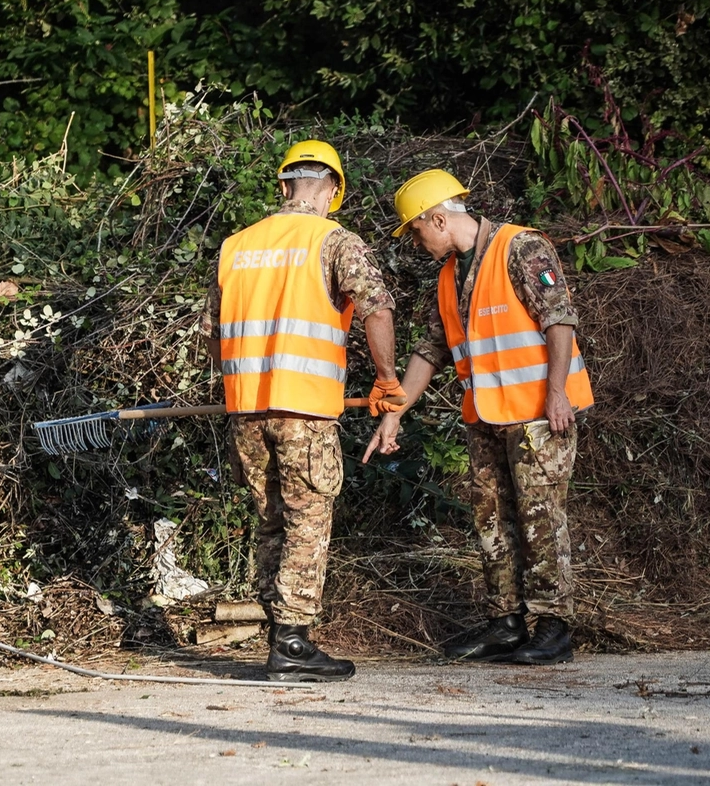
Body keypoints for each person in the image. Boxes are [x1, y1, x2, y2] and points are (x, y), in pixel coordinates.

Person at [363, 169, 593, 665]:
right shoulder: (449, 275)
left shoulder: (522, 248)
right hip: (485, 417)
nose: (417, 242)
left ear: (439, 218)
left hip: (537, 412)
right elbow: (431, 349)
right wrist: (395, 413)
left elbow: (559, 318)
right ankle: (506, 622)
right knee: (491, 517)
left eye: (417, 231)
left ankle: (553, 626)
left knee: (539, 517)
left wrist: (557, 394)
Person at [201, 140, 404, 682]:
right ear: (333, 190)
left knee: (269, 522)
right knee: (307, 519)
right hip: (306, 411)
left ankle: (279, 633)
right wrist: (386, 380)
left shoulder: (236, 246)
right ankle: (292, 642)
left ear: (283, 185)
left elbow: (213, 334)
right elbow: (377, 309)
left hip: (246, 409)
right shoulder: (334, 240)